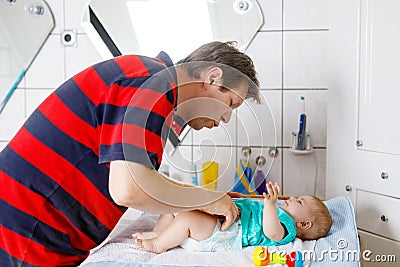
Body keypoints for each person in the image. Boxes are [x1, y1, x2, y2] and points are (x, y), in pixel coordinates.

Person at [0, 41, 260, 266]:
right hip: (27, 230)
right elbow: (128, 189)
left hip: (33, 227)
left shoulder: (151, 79)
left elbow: (140, 179)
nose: (226, 118)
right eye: (230, 104)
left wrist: (208, 198)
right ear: (212, 78)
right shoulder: (154, 85)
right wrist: (206, 199)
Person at [133, 182, 333, 253]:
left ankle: (158, 245)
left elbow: (271, 233)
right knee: (177, 205)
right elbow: (253, 209)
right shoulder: (280, 211)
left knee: (187, 218)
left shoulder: (287, 228)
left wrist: (271, 206)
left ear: (304, 224)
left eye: (299, 202)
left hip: (223, 233)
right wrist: (241, 200)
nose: (292, 198)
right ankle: (159, 232)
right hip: (223, 219)